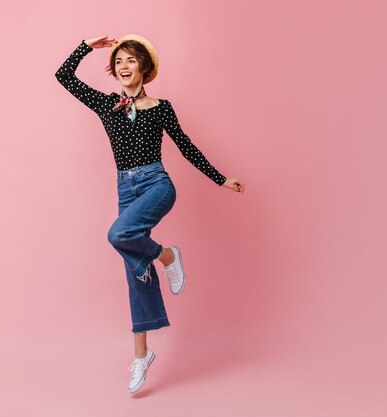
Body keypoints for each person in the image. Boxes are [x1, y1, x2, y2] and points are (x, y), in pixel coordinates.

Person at [55, 34, 244, 393]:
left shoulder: (162, 107)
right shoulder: (107, 104)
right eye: (119, 61)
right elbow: (64, 76)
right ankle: (142, 356)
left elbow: (186, 146)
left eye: (131, 61)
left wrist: (221, 179)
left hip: (157, 184)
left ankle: (167, 255)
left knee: (117, 235)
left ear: (145, 68)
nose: (124, 67)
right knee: (134, 274)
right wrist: (86, 46)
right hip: (125, 190)